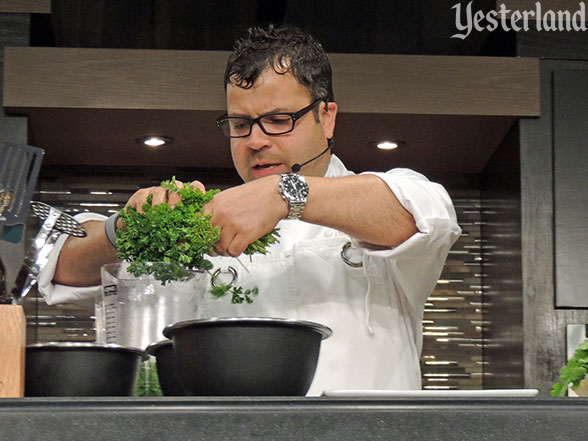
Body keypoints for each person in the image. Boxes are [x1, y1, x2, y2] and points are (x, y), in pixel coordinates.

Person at [38, 25, 461, 395]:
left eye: (278, 120)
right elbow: (64, 268)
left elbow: (425, 215)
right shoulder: (206, 219)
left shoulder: (378, 196)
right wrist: (125, 229)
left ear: (327, 117)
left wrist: (285, 193)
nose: (255, 140)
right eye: (240, 124)